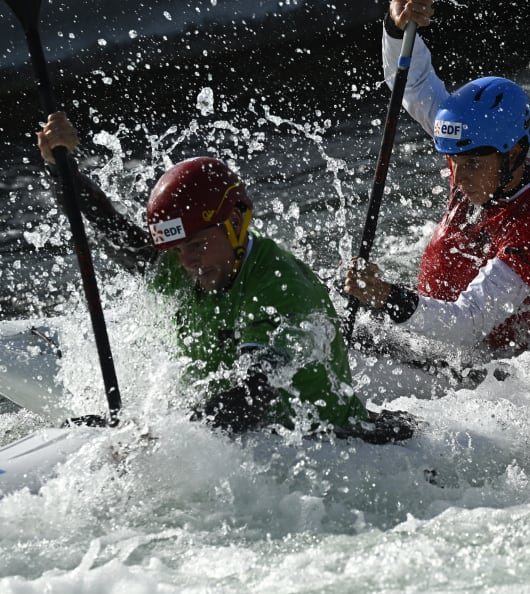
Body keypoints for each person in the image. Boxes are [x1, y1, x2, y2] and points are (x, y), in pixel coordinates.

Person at [34, 112, 410, 440]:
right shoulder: (187, 262)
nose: (187, 263)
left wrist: (158, 435)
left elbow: (253, 398)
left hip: (329, 444)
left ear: (234, 224)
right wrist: (60, 169)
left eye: (196, 245)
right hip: (256, 437)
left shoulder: (279, 287)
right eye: (178, 250)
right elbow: (113, 233)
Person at [343, 0, 530, 362]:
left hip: (494, 370)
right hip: (429, 339)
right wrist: (396, 26)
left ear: (514, 152)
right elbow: (412, 83)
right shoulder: (474, 148)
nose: (459, 177)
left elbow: (470, 323)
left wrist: (386, 296)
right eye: (454, 161)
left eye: (470, 165)